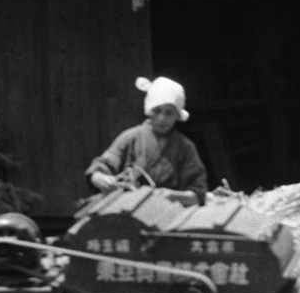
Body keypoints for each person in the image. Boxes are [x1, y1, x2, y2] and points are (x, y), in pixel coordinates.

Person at [86, 76, 209, 205]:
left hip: (169, 213)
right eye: (157, 110)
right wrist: (99, 178)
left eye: (169, 113)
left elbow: (198, 193)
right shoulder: (130, 137)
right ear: (149, 110)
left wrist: (171, 196)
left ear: (177, 116)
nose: (162, 118)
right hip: (126, 208)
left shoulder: (186, 147)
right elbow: (103, 166)